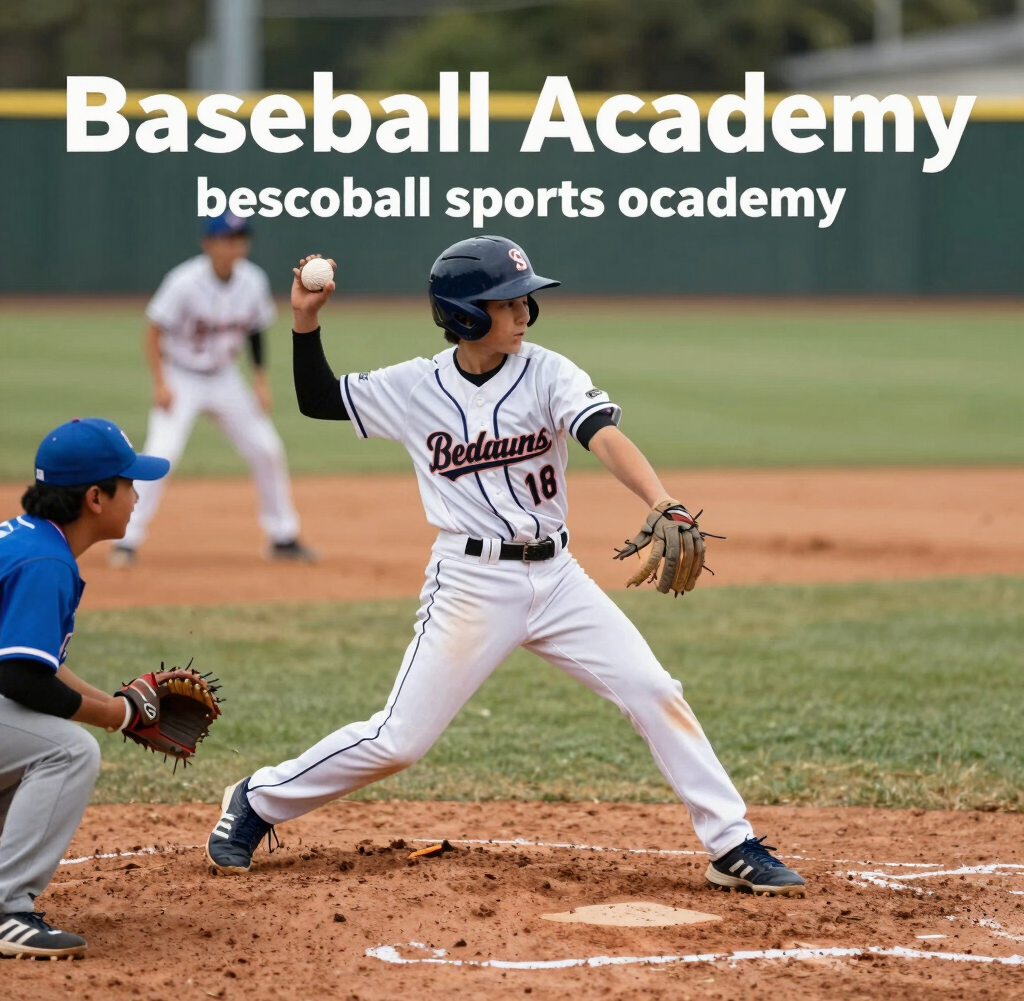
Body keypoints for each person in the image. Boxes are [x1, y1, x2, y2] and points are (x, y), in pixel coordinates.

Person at [204, 238, 806, 898]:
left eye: (526, 299)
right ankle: (259, 799)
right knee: (400, 741)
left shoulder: (549, 372)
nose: (525, 311)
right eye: (507, 301)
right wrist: (305, 319)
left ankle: (731, 843)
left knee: (653, 688)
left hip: (558, 579)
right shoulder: (414, 386)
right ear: (463, 314)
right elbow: (319, 398)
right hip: (470, 585)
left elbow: (601, 431)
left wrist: (662, 500)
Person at [0, 419, 171, 958]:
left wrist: (119, 705)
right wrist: (112, 719)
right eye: (128, 483)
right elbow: (20, 681)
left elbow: (36, 668)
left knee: (32, 740)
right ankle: (7, 911)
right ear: (95, 497)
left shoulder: (31, 540)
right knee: (69, 750)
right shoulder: (45, 562)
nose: (138, 494)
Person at [109, 212, 316, 567]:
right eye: (228, 239)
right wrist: (161, 382)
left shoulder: (253, 279)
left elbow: (255, 331)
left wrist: (260, 380)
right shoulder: (184, 281)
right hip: (182, 376)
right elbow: (154, 331)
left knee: (267, 449)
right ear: (209, 243)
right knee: (163, 453)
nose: (236, 246)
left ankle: (282, 537)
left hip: (225, 377)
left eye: (241, 239)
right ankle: (127, 539)